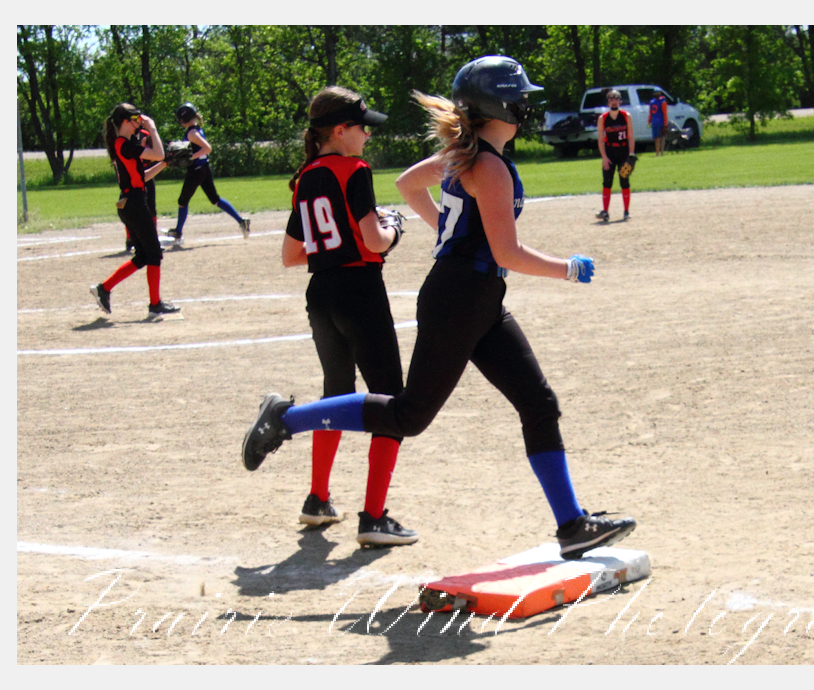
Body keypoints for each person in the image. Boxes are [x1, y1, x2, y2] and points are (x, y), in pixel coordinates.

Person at [241, 56, 637, 560]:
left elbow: (408, 185)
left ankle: (572, 524)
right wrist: (568, 269)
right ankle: (287, 418)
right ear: (500, 105)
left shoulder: (466, 155)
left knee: (538, 402)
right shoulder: (486, 164)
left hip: (477, 297)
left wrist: (449, 237)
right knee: (407, 415)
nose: (526, 106)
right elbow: (507, 253)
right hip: (460, 297)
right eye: (520, 98)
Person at [248, 85, 416, 547]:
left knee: (336, 393)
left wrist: (338, 247)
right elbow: (375, 241)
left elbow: (291, 255)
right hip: (359, 291)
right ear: (340, 131)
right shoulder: (354, 170)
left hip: (321, 294)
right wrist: (393, 229)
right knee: (391, 401)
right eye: (362, 127)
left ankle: (318, 499)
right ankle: (374, 517)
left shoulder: (305, 177)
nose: (368, 135)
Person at [90, 103, 181, 319]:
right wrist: (153, 128)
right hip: (134, 205)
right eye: (135, 119)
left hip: (132, 203)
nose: (139, 122)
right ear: (125, 122)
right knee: (154, 253)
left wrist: (165, 164)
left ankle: (104, 289)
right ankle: (155, 305)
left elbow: (142, 177)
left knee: (142, 256)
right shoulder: (123, 144)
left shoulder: (125, 144)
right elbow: (157, 153)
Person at [166, 103, 250, 247]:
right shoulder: (196, 130)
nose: (180, 121)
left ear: (185, 118)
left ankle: (178, 233)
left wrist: (190, 157)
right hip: (204, 168)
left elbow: (207, 148)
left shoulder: (191, 133)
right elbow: (194, 146)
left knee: (183, 201)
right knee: (215, 199)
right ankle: (242, 221)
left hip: (196, 170)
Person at [595, 89, 635, 222]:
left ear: (620, 101)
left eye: (616, 99)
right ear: (608, 103)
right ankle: (605, 211)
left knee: (625, 181)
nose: (614, 102)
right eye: (611, 100)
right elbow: (601, 139)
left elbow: (631, 136)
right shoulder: (603, 118)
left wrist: (631, 154)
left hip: (623, 152)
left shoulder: (626, 116)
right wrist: (604, 157)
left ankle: (626, 211)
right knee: (607, 182)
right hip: (610, 152)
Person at [123, 124, 159, 253]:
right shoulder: (126, 137)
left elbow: (155, 154)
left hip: (147, 174)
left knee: (151, 208)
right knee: (131, 208)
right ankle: (130, 239)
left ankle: (153, 238)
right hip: (132, 176)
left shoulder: (146, 134)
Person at [649, 89, 669, 157]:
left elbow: (665, 113)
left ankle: (661, 153)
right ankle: (657, 153)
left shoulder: (662, 101)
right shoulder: (652, 102)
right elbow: (651, 113)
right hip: (654, 122)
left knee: (662, 137)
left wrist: (665, 123)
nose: (656, 94)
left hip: (661, 121)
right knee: (656, 138)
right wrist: (649, 121)